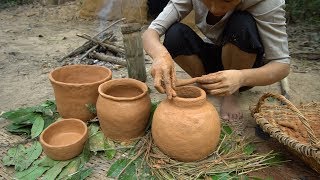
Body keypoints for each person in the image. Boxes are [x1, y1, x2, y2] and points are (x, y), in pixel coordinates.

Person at [142, 0, 290, 131]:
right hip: (213, 56)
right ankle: (204, 83)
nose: (215, 9)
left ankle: (231, 94)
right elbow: (151, 32)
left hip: (243, 66)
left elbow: (281, 64)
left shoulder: (268, 3)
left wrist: (241, 77)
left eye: (227, 1)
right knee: (175, 34)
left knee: (242, 23)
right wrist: (160, 56)